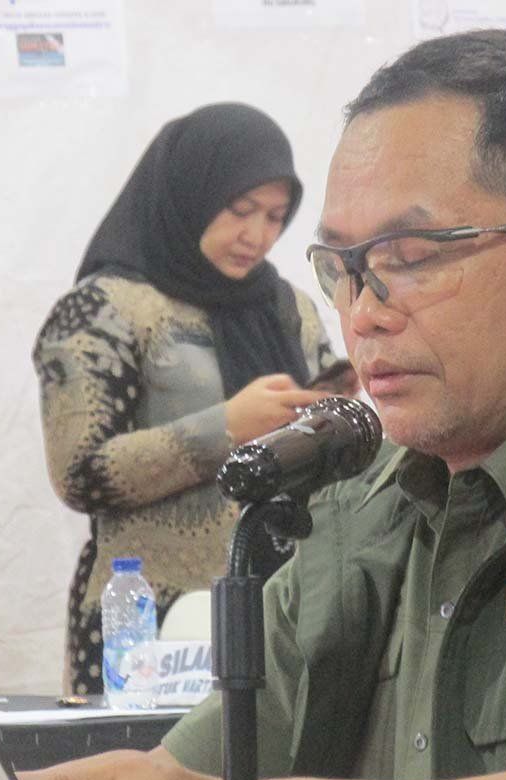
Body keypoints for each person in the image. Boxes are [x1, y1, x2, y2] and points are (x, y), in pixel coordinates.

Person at [4, 30, 506, 780]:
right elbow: (195, 770)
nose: (362, 315)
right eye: (342, 268)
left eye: (409, 259)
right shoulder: (356, 512)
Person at [33, 103, 343, 696]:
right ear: (190, 194)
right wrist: (226, 426)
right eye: (240, 210)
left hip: (284, 609)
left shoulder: (288, 308)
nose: (258, 235)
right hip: (148, 624)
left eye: (276, 216)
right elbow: (78, 474)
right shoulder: (105, 309)